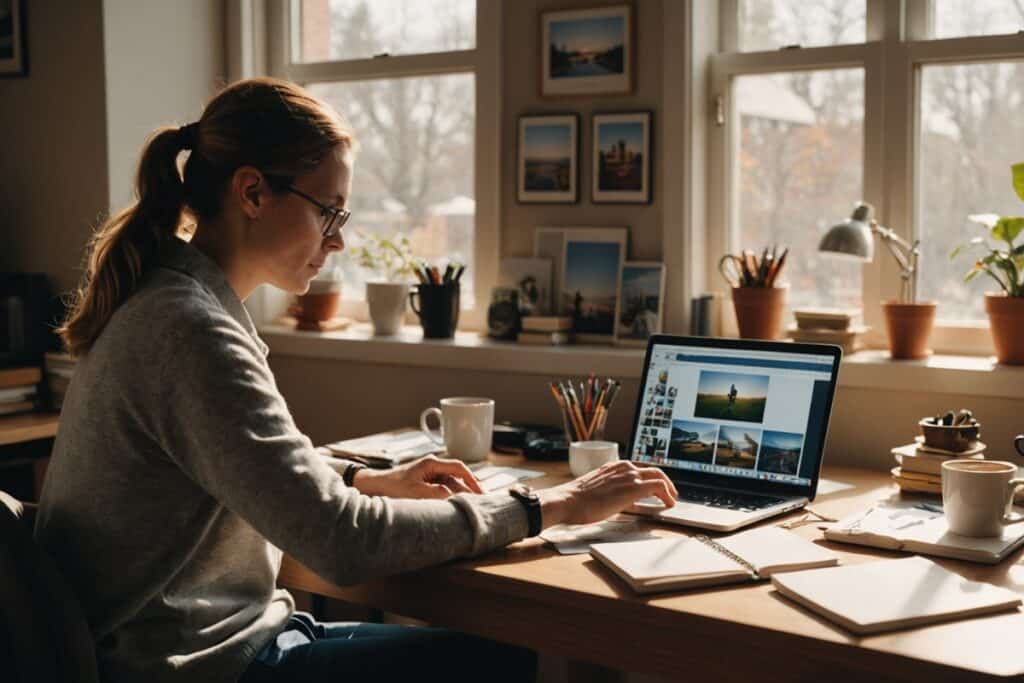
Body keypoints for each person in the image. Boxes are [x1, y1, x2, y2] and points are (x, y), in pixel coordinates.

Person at [33, 78, 677, 683]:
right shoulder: (187, 329)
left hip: (225, 637)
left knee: (493, 654)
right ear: (253, 193)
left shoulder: (175, 302)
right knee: (499, 662)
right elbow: (341, 542)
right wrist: (554, 505)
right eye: (328, 214)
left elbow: (243, 463)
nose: (336, 241)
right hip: (195, 664)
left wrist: (362, 479)